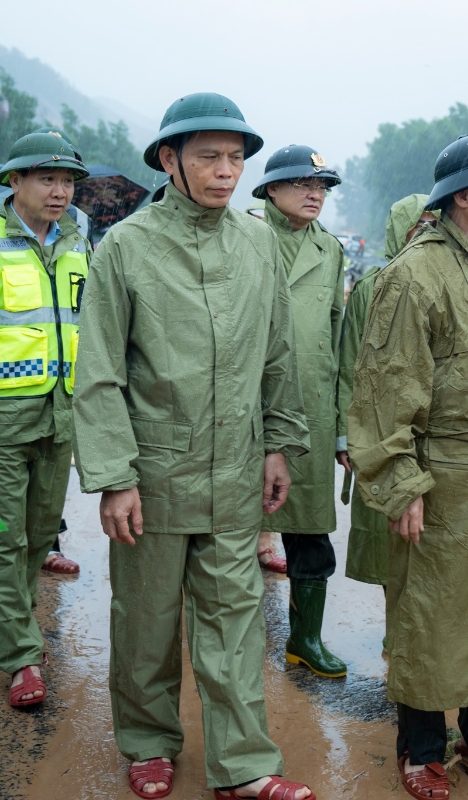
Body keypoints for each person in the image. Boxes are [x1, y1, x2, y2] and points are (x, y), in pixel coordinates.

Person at [73, 92, 315, 800]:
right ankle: (148, 741)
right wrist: (115, 476)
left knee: (236, 622)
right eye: (208, 156)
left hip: (237, 469)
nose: (225, 171)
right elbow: (100, 372)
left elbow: (277, 353)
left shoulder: (257, 241)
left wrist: (278, 443)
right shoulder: (127, 248)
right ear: (169, 160)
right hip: (154, 473)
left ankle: (243, 766)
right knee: (146, 620)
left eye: (236, 158)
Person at [348, 134, 468, 800]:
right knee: (432, 612)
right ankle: (422, 746)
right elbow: (384, 390)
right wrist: (401, 482)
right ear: (463, 195)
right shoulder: (415, 274)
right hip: (445, 477)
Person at [0, 132, 90, 708]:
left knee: (37, 536)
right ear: (14, 182)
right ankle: (21, 656)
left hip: (62, 415)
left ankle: (16, 630)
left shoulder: (79, 238)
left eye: (67, 181)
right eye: (47, 179)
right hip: (6, 417)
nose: (60, 192)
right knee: (6, 539)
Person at [252, 144, 347, 678]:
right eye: (303, 184)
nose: (316, 194)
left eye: (323, 187)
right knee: (229, 528)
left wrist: (341, 429)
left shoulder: (329, 250)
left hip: (309, 409)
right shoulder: (242, 236)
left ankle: (304, 639)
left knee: (310, 533)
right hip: (245, 406)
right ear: (269, 190)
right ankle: (223, 642)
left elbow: (334, 340)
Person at [337, 194, 436, 591]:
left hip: (436, 431)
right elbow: (349, 367)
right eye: (420, 227)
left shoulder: (454, 285)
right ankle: (395, 629)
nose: (428, 236)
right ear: (400, 232)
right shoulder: (371, 290)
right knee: (389, 526)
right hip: (382, 429)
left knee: (436, 533)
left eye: (436, 226)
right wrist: (347, 436)